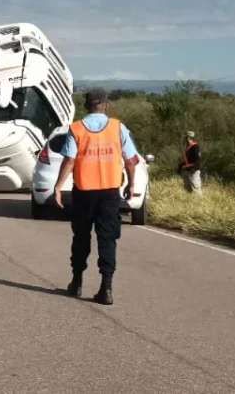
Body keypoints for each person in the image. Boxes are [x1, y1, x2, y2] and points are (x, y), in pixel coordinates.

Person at [53, 88, 139, 305]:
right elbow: (130, 160)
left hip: (84, 193)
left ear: (86, 106)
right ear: (106, 106)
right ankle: (106, 288)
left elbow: (70, 160)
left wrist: (58, 186)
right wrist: (131, 183)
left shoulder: (77, 129)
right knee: (107, 238)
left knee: (81, 237)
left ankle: (77, 283)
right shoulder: (118, 128)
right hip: (110, 193)